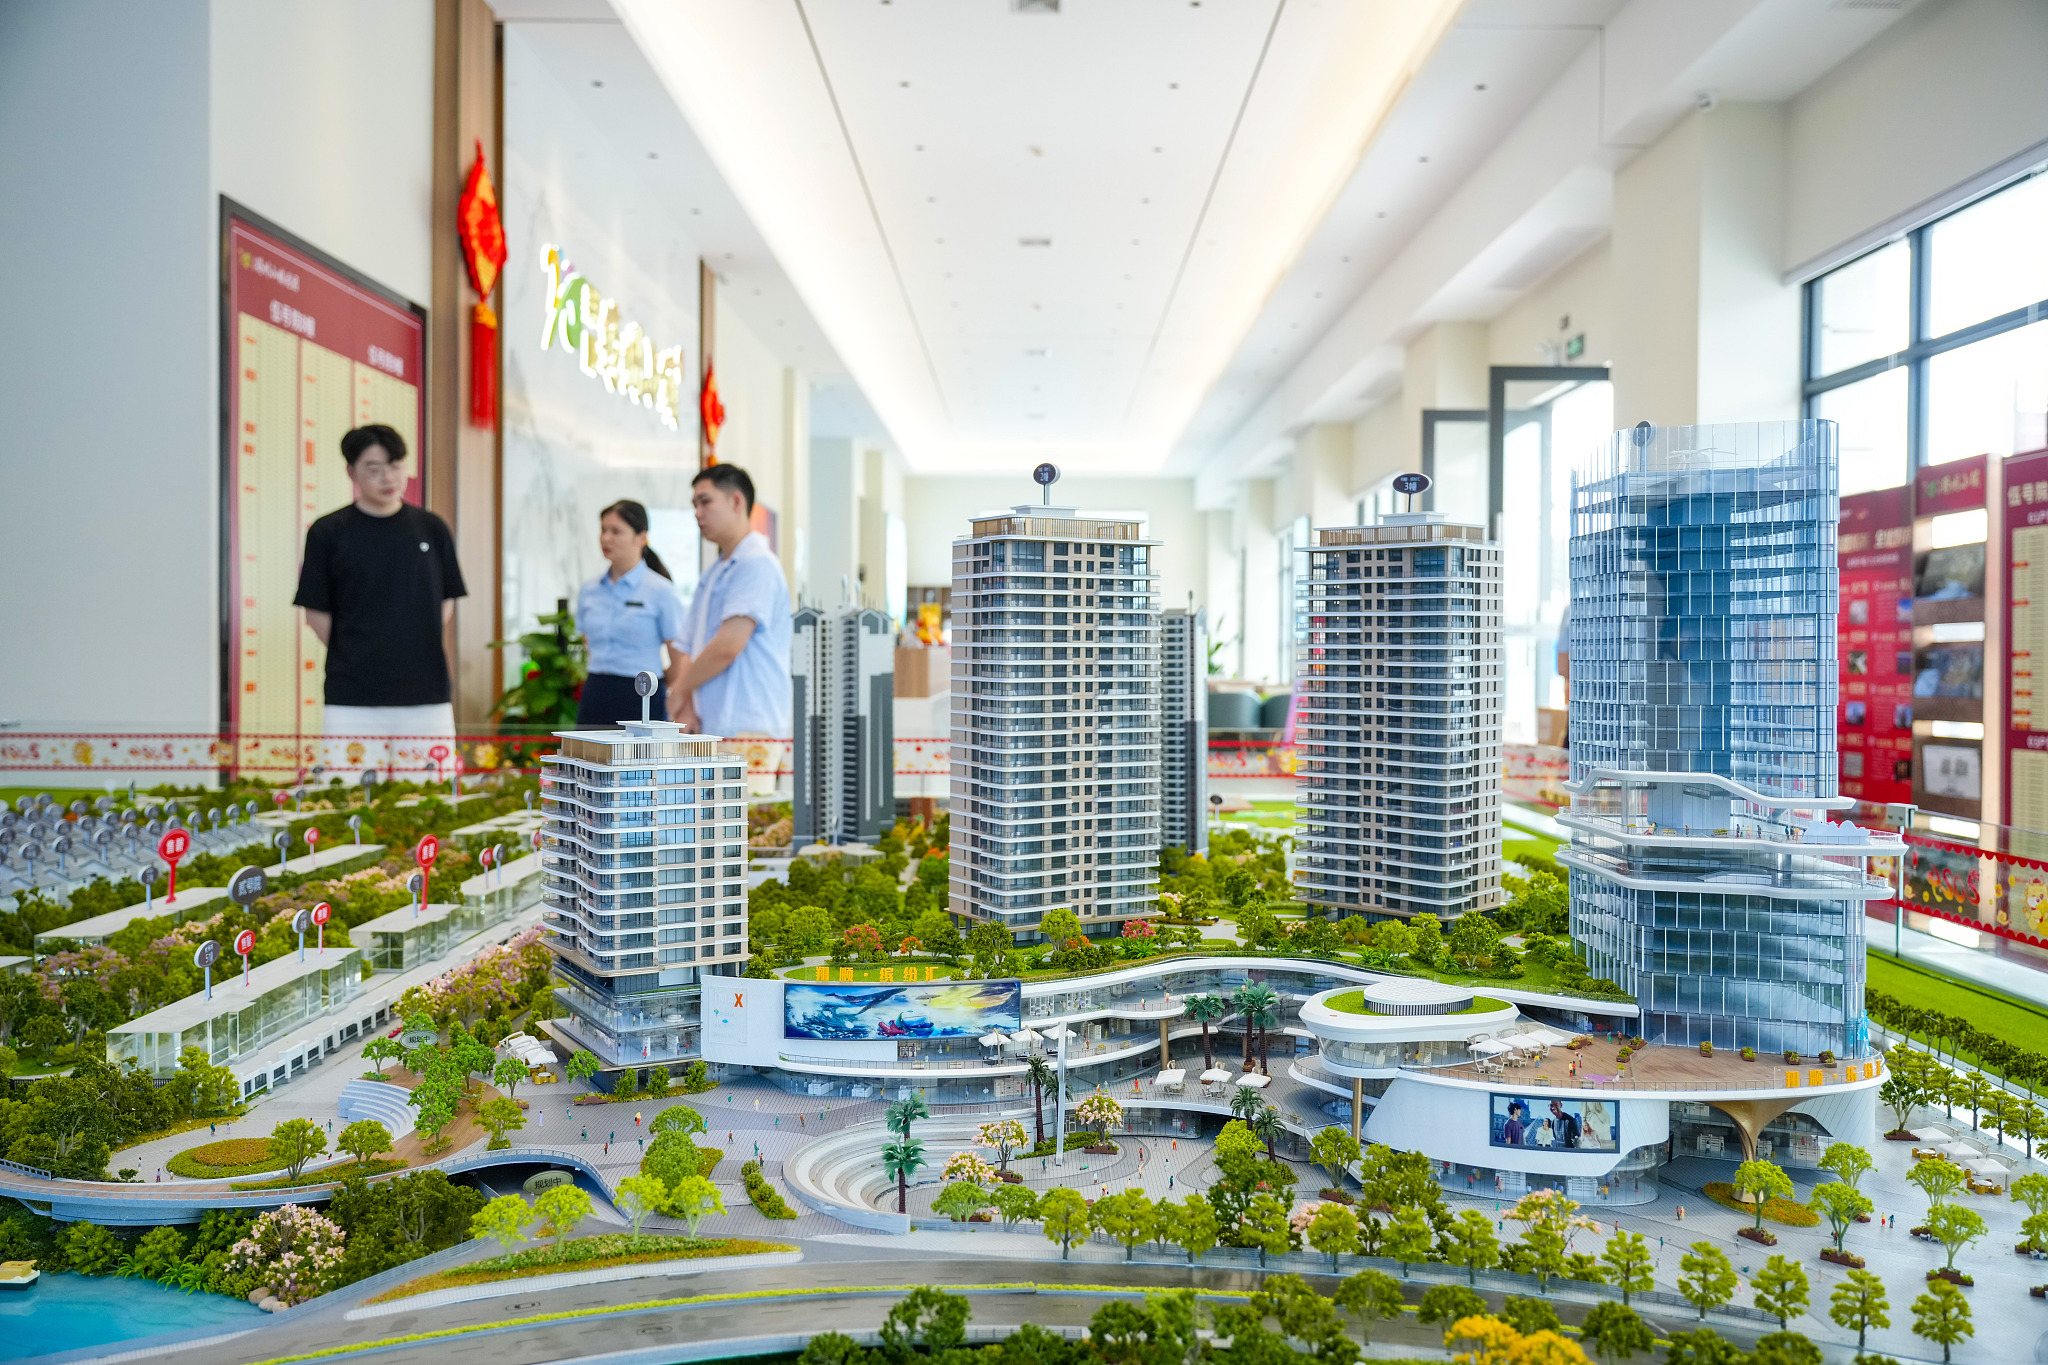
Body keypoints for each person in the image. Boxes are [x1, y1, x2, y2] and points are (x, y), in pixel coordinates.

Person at [295, 425, 467, 740]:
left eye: (396, 466)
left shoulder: (432, 528)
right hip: (352, 698)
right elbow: (316, 612)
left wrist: (412, 640)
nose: (388, 478)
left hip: (426, 693)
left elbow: (445, 599)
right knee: (347, 787)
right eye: (374, 469)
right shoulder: (328, 532)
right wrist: (360, 651)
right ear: (351, 472)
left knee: (431, 787)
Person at [671, 465, 792, 738]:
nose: (697, 513)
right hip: (711, 724)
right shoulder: (715, 572)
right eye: (694, 505)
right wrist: (686, 704)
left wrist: (680, 689)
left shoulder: (756, 564)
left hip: (749, 726)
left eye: (705, 502)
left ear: (736, 501)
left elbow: (728, 646)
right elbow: (689, 645)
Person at [576, 501, 688, 727]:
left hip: (641, 696)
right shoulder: (589, 590)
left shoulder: (660, 591)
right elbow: (588, 644)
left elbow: (680, 659)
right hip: (595, 693)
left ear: (641, 537)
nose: (606, 538)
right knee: (588, 760)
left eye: (616, 531)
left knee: (640, 762)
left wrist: (658, 687)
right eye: (603, 530)